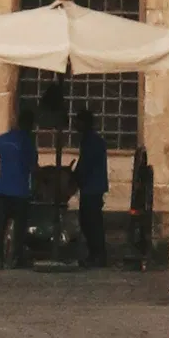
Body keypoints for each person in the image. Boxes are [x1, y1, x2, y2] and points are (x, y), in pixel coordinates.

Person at [0, 116, 37, 269]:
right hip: (20, 191)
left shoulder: (2, 139)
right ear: (30, 126)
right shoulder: (28, 142)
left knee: (0, 227)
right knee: (20, 228)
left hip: (2, 190)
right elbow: (34, 168)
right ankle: (17, 259)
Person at [75, 112, 111, 269]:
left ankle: (98, 255)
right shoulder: (91, 140)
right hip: (92, 186)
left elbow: (85, 164)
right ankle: (95, 254)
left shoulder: (91, 142)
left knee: (91, 222)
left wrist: (75, 178)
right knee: (89, 221)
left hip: (92, 187)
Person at [128, 142, 156, 270]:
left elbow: (148, 192)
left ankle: (143, 256)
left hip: (143, 207)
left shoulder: (147, 172)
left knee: (143, 232)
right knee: (137, 230)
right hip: (139, 205)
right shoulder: (140, 173)